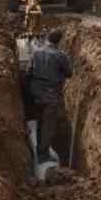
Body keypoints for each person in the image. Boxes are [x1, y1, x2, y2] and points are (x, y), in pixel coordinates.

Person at [28, 29, 72, 163]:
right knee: (49, 124)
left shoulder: (36, 52)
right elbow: (69, 73)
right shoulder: (59, 55)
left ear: (47, 38)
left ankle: (38, 149)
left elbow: (29, 71)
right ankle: (43, 154)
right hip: (51, 94)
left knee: (40, 121)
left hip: (36, 92)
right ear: (59, 41)